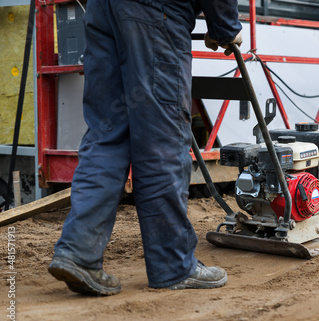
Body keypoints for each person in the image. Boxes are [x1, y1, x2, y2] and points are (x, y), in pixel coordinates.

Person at [48, 0, 242, 296]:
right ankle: (172, 265)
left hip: (103, 10)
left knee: (106, 135)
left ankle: (78, 253)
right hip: (156, 14)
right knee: (161, 139)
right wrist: (226, 28)